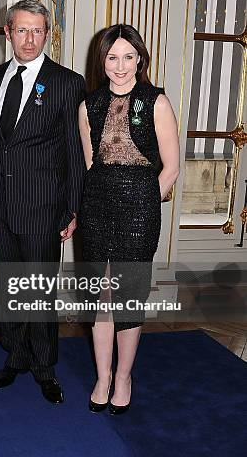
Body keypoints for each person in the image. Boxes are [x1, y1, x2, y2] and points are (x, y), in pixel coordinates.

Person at [0, 0, 86, 404]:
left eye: (37, 31)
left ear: (48, 34)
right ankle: (16, 357)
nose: (29, 39)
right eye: (21, 30)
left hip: (44, 206)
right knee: (9, 288)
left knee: (40, 291)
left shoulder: (67, 82)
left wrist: (72, 208)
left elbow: (75, 152)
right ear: (7, 32)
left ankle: (45, 367)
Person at [78, 24, 179, 415]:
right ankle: (103, 376)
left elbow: (169, 167)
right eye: (112, 57)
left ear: (140, 59)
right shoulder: (88, 105)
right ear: (102, 61)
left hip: (139, 206)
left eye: (128, 57)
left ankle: (124, 377)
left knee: (127, 296)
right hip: (97, 206)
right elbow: (90, 164)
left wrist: (144, 202)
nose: (120, 66)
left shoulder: (156, 102)